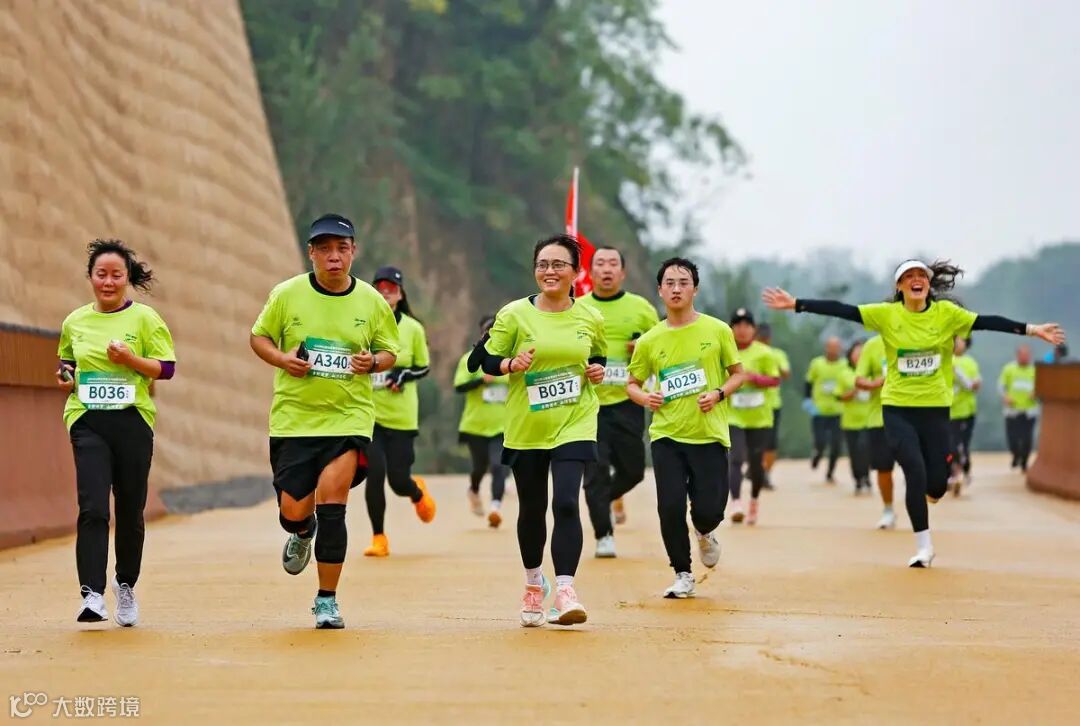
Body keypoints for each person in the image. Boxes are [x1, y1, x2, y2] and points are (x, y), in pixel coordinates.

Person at [763, 259, 1064, 567]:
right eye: (909, 276)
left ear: (928, 284)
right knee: (914, 472)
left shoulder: (946, 314)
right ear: (899, 286)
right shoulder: (887, 314)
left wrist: (1033, 330)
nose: (916, 280)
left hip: (935, 410)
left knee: (936, 485)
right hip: (898, 409)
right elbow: (843, 310)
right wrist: (797, 304)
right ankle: (924, 547)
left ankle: (936, 489)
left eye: (922, 275)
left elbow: (987, 322)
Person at [250, 213, 400, 628]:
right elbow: (258, 337)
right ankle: (301, 531)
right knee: (293, 511)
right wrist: (282, 359)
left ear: (353, 252)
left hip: (348, 418)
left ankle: (327, 600)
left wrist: (373, 362)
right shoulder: (287, 294)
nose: (334, 256)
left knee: (334, 506)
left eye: (342, 248)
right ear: (311, 253)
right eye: (325, 249)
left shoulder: (371, 300)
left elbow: (390, 351)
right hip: (294, 420)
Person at [473, 234, 606, 627]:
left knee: (565, 502)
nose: (550, 271)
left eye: (558, 264)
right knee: (532, 509)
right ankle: (534, 583)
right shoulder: (514, 314)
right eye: (543, 264)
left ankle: (565, 591)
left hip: (575, 420)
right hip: (527, 425)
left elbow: (598, 354)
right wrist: (510, 365)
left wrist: (597, 370)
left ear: (575, 272)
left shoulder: (590, 317)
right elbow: (486, 360)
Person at [58, 239, 176, 626]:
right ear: (90, 277)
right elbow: (66, 361)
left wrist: (129, 359)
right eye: (101, 274)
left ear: (127, 279)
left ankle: (125, 584)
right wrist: (65, 376)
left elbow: (166, 368)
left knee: (129, 509)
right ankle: (91, 594)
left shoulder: (145, 319)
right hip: (87, 419)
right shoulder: (75, 321)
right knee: (93, 507)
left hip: (132, 421)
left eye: (116, 275)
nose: (108, 282)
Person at [626, 258, 745, 598]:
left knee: (709, 510)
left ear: (695, 289)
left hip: (709, 434)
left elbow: (738, 374)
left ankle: (705, 532)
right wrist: (646, 398)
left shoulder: (718, 330)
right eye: (669, 283)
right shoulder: (650, 340)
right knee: (670, 506)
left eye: (683, 283)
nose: (676, 289)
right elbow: (632, 384)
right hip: (667, 435)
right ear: (660, 290)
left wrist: (718, 393)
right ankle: (682, 573)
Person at [577, 245, 660, 556]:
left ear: (623, 272)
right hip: (589, 404)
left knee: (634, 470)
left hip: (628, 402)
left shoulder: (641, 309)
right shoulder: (578, 308)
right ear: (590, 272)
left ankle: (604, 499)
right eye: (600, 263)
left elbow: (662, 349)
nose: (607, 269)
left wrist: (642, 347)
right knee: (595, 472)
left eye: (613, 264)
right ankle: (604, 534)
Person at [362, 266, 437, 557]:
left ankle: (416, 491)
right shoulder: (363, 325)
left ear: (400, 294)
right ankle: (378, 538)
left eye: (391, 289)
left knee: (398, 481)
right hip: (369, 416)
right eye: (379, 288)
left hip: (402, 417)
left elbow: (423, 366)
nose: (385, 293)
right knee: (375, 473)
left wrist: (403, 374)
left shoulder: (413, 328)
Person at [454, 315, 510, 528]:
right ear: (482, 335)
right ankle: (474, 489)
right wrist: (480, 380)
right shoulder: (470, 359)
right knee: (479, 466)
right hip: (475, 426)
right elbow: (459, 386)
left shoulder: (510, 361)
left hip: (502, 426)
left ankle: (496, 507)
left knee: (498, 465)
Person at [725, 308, 780, 525]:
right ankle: (736, 502)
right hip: (734, 415)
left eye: (747, 326)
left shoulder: (764, 353)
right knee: (736, 458)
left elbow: (774, 380)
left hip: (759, 417)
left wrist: (754, 378)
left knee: (756, 464)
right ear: (731, 329)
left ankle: (754, 501)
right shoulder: (726, 352)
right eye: (737, 325)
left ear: (754, 329)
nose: (742, 330)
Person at [854, 335, 897, 529]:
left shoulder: (918, 337)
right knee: (884, 468)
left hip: (912, 415)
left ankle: (918, 508)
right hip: (880, 417)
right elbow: (859, 380)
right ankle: (888, 509)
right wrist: (875, 384)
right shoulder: (872, 345)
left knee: (915, 466)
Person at [805, 337, 847, 483]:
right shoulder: (817, 363)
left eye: (836, 347)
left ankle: (830, 472)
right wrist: (807, 400)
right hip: (819, 410)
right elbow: (808, 382)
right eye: (831, 347)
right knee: (820, 441)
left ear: (840, 349)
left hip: (839, 411)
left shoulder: (844, 365)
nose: (833, 350)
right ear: (826, 348)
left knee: (836, 444)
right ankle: (817, 455)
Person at [756, 323, 791, 488]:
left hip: (772, 404)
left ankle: (765, 473)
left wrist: (772, 367)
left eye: (765, 338)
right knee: (753, 442)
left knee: (770, 443)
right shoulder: (748, 353)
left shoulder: (776, 354)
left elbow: (786, 374)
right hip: (750, 406)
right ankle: (756, 468)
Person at [836, 340, 872, 494]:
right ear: (850, 355)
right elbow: (839, 396)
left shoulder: (872, 372)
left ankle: (866, 476)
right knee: (854, 452)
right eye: (856, 353)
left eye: (862, 353)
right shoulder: (844, 373)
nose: (859, 356)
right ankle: (858, 478)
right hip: (850, 421)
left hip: (869, 419)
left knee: (865, 449)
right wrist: (855, 391)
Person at [949, 336, 981, 493]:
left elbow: (975, 385)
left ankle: (964, 469)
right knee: (951, 445)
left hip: (967, 411)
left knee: (963, 444)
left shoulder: (970, 362)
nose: (957, 343)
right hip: (949, 410)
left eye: (961, 340)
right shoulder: (945, 360)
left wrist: (961, 375)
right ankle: (954, 473)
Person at [999, 344, 1038, 472]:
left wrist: (1036, 393)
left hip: (1029, 411)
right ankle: (1016, 455)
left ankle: (1024, 461)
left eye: (1027, 355)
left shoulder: (1035, 370)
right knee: (1013, 438)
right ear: (1017, 355)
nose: (1025, 357)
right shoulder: (1009, 369)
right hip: (1012, 411)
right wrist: (1005, 397)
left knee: (1027, 438)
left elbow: (1042, 386)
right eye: (1023, 355)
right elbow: (1001, 386)